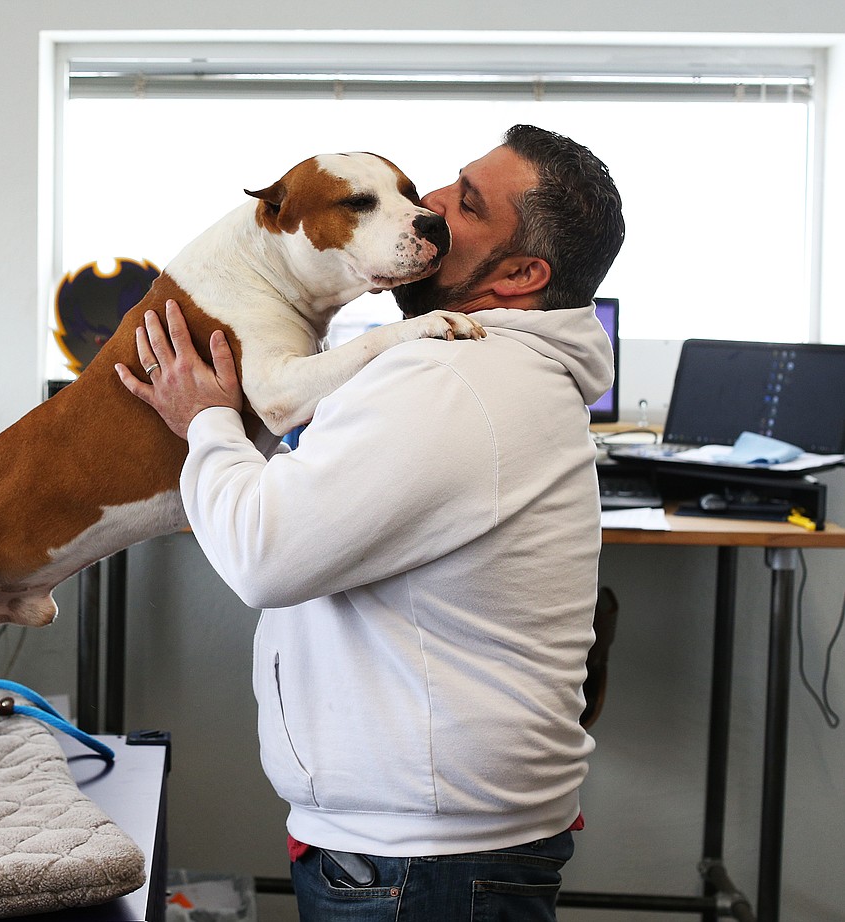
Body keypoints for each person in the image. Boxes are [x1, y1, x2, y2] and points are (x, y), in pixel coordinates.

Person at [115, 124, 625, 922]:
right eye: (448, 183)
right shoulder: (489, 365)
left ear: (523, 273)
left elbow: (264, 556)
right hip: (433, 841)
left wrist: (207, 422)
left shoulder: (454, 375)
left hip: (420, 861)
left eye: (468, 205)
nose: (429, 206)